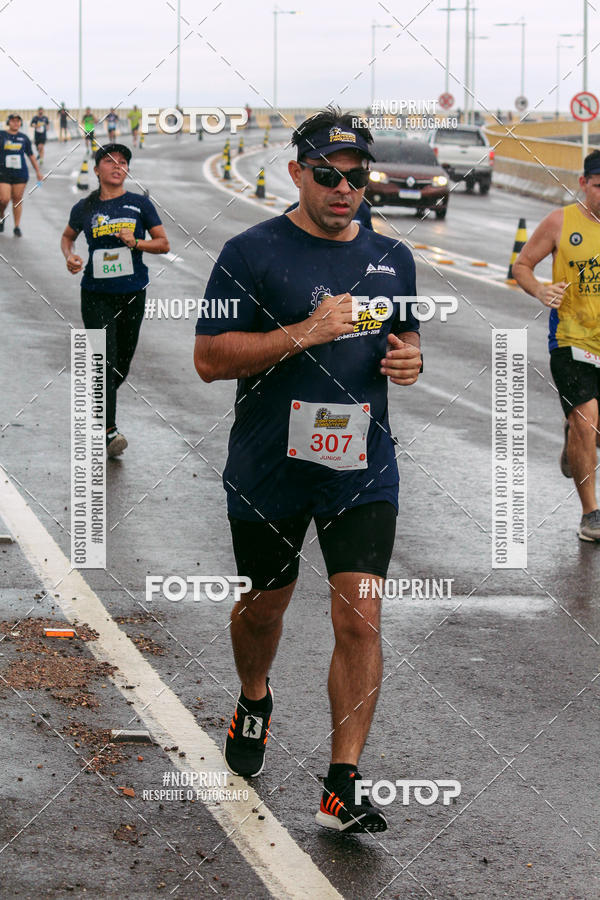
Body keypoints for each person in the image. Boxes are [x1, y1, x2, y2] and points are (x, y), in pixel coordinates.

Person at [194, 107, 422, 834]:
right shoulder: (249, 252)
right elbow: (208, 360)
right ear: (297, 173)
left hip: (359, 462)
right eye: (328, 174)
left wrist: (410, 360)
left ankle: (341, 784)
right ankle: (255, 695)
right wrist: (305, 332)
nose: (344, 188)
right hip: (270, 466)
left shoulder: (394, 258)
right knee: (265, 607)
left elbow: (405, 339)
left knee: (362, 607)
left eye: (358, 177)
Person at [513, 148, 600, 541]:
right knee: (586, 419)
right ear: (583, 183)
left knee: (590, 430)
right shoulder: (560, 221)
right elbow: (521, 265)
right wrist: (540, 289)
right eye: (599, 186)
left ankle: (575, 442)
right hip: (569, 339)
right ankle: (591, 514)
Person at [61, 143, 170, 456]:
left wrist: (136, 242)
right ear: (97, 170)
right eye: (110, 161)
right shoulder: (85, 208)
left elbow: (163, 244)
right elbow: (68, 237)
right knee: (105, 362)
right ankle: (109, 432)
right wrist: (70, 256)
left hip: (133, 292)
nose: (117, 166)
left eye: (123, 162)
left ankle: (99, 403)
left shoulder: (139, 204)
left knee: (121, 365)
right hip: (96, 294)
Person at [0, 114, 43, 237]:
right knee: (4, 199)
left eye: (18, 121)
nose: (15, 123)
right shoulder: (2, 135)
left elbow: (31, 155)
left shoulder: (24, 138)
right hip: (3, 173)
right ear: (8, 122)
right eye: (13, 121)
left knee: (17, 200)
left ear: (20, 124)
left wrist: (38, 172)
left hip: (20, 174)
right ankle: (1, 215)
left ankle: (16, 226)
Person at [285, 196, 373, 229]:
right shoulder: (294, 213)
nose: (343, 188)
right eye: (327, 176)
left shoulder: (360, 209)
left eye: (356, 177)